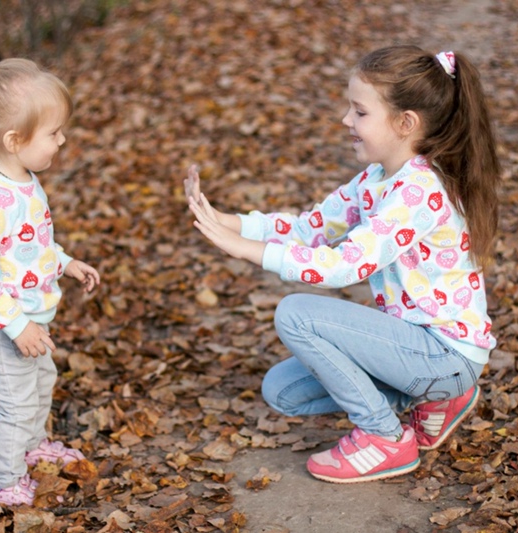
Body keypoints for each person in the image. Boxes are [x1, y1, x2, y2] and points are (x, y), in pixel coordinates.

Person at [186, 45, 500, 484]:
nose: (345, 121)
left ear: (404, 123)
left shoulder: (418, 193)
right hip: (416, 351)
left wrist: (247, 251)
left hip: (443, 354)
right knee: (283, 391)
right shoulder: (376, 179)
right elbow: (311, 228)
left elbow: (344, 266)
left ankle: (386, 437)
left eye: (359, 112)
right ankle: (435, 401)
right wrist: (230, 222)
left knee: (296, 313)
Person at [0, 28, 101, 506]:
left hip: (27, 317)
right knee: (14, 404)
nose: (63, 139)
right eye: (53, 133)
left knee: (41, 384)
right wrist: (16, 326)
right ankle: (2, 483)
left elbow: (30, 248)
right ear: (15, 139)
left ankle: (32, 449)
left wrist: (67, 264)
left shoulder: (24, 180)